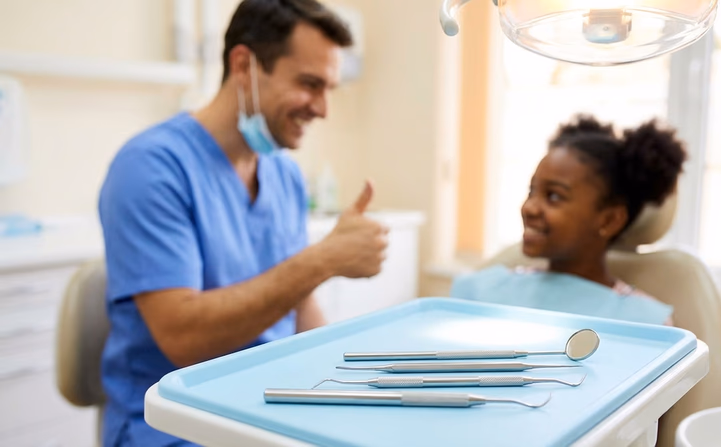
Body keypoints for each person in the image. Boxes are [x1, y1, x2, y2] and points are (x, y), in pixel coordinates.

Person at [97, 1, 387, 446]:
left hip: (263, 409)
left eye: (330, 88)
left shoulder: (283, 174)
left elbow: (300, 307)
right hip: (172, 424)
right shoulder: (152, 168)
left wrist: (344, 383)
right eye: (310, 84)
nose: (324, 109)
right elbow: (183, 338)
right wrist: (324, 259)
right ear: (244, 65)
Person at [451, 114, 687, 325]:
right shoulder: (482, 291)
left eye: (554, 196)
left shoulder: (645, 324)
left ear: (609, 220)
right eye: (532, 191)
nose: (529, 208)